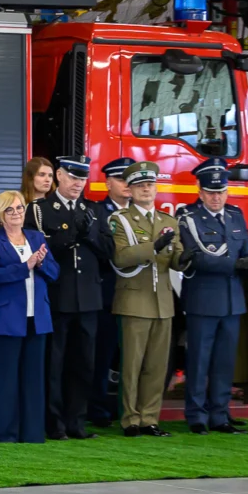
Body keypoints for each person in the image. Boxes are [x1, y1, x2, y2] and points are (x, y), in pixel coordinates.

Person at [25, 155, 107, 440]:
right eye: (73, 177)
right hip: (58, 297)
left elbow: (109, 253)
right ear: (59, 176)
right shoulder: (41, 209)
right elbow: (39, 251)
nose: (78, 184)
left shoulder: (95, 210)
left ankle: (77, 422)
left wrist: (90, 236)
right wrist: (73, 235)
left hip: (88, 298)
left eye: (82, 178)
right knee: (55, 364)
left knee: (83, 363)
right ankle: (55, 423)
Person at [178, 159, 248, 435]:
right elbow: (196, 257)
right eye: (211, 192)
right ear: (200, 191)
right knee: (198, 361)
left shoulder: (236, 216)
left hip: (232, 300)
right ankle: (196, 415)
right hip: (203, 300)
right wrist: (234, 265)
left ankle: (220, 415)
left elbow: (245, 252)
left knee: (224, 363)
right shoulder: (188, 217)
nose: (216, 197)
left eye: (221, 191)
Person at [108, 161, 183, 437]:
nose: (145, 190)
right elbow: (121, 256)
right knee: (132, 366)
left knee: (157, 366)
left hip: (163, 302)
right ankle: (130, 419)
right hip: (134, 301)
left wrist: (185, 259)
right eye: (139, 186)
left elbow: (176, 259)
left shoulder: (169, 221)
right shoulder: (120, 220)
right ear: (130, 189)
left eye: (149, 185)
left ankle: (150, 418)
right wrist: (154, 247)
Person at [0, 189, 59, 443]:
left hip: (37, 317)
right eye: (10, 209)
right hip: (6, 319)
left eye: (20, 208)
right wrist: (24, 266)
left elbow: (55, 272)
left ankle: (33, 433)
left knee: (34, 378)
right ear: (0, 215)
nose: (16, 213)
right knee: (6, 380)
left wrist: (41, 263)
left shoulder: (36, 237)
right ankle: (4, 434)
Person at [88, 157, 132, 426]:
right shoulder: (97, 213)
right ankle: (99, 410)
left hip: (136, 296)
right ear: (108, 183)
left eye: (129, 179)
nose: (126, 184)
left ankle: (130, 410)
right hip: (107, 295)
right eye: (120, 179)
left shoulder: (140, 213)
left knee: (133, 358)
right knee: (101, 357)